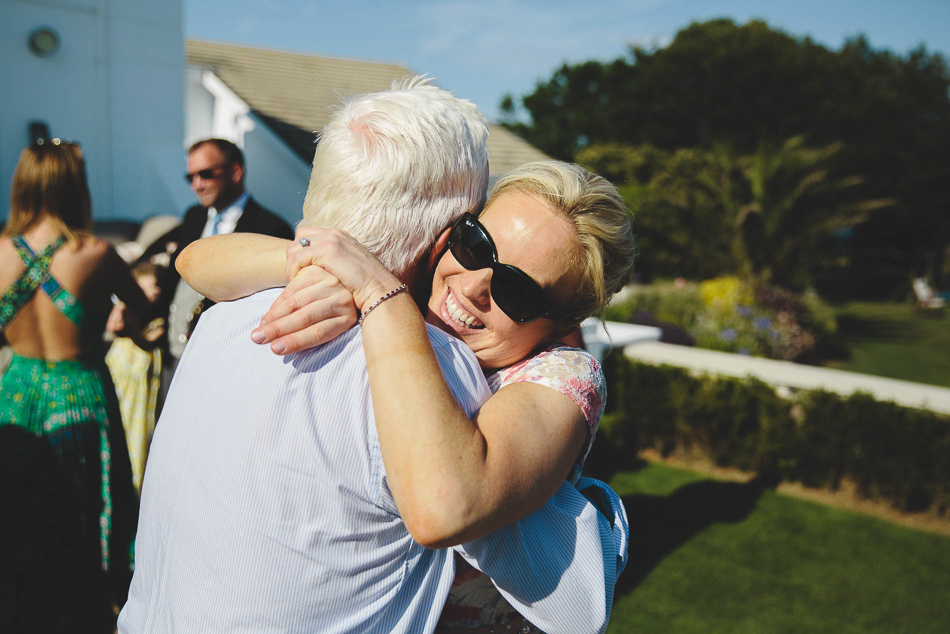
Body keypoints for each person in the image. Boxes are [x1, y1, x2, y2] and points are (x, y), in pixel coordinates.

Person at [121, 78, 624, 634]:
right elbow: (196, 259)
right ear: (444, 236)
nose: (475, 284)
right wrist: (330, 266)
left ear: (563, 322)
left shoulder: (540, 374)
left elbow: (444, 504)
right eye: (475, 243)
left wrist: (381, 296)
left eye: (519, 292)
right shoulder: (352, 314)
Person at [0, 139, 147, 631]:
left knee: (17, 513)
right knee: (85, 515)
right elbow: (140, 316)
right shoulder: (96, 253)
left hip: (16, 392)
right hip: (78, 392)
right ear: (73, 186)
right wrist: (120, 320)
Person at [136, 138, 294, 389]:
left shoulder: (270, 228)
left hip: (225, 364)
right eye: (191, 178)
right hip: (173, 356)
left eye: (206, 174)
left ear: (235, 172)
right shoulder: (194, 216)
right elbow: (164, 269)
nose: (197, 185)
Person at [105, 261, 165, 495]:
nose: (156, 291)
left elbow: (147, 344)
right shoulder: (121, 315)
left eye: (157, 286)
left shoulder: (157, 325)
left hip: (139, 402)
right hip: (119, 392)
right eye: (148, 287)